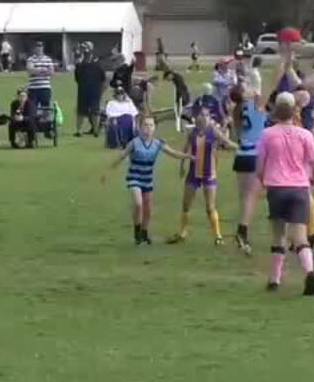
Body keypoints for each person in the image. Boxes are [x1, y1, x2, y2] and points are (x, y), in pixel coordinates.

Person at [257, 92, 314, 295]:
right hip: (299, 187)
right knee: (300, 236)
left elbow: (260, 166)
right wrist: (313, 181)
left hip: (276, 187)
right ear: (294, 112)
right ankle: (309, 271)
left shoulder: (267, 135)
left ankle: (275, 279)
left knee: (279, 235)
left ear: (276, 113)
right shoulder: (305, 135)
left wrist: (263, 182)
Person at [102, 114, 190, 245]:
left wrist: (189, 156)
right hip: (134, 177)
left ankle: (144, 232)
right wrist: (107, 172)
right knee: (138, 204)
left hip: (147, 179)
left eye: (151, 125)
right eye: (145, 125)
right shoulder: (134, 143)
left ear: (154, 128)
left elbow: (173, 153)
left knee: (148, 208)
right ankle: (137, 231)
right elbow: (121, 156)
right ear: (140, 127)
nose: (148, 128)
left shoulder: (157, 143)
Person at [166, 107, 236, 246]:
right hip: (193, 173)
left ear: (209, 118)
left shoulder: (213, 131)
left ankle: (218, 236)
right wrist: (182, 166)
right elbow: (185, 149)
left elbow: (227, 142)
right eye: (201, 115)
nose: (203, 118)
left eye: (206, 115)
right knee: (186, 204)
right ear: (196, 118)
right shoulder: (192, 132)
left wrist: (243, 148)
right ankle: (182, 232)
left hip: (209, 174)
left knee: (210, 207)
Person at [231, 85, 268, 255]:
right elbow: (272, 83)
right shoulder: (257, 105)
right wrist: (284, 62)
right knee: (251, 197)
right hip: (254, 154)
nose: (251, 87)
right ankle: (242, 232)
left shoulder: (237, 110)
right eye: (247, 87)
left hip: (241, 154)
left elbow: (235, 135)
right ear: (245, 94)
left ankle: (241, 231)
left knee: (244, 197)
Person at [73, 48, 105, 137]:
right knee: (86, 111)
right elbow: (103, 78)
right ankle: (93, 131)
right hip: (90, 90)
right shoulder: (97, 65)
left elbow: (77, 78)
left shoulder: (81, 66)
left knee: (91, 111)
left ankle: (89, 130)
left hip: (87, 90)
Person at [26, 43, 55, 121]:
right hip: (33, 88)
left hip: (45, 88)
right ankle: (34, 126)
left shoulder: (48, 59)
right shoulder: (31, 59)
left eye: (40, 47)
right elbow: (31, 70)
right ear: (35, 48)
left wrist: (37, 70)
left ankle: (46, 125)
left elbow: (51, 72)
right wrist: (44, 70)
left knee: (45, 108)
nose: (39, 49)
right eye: (37, 47)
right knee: (32, 108)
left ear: (43, 48)